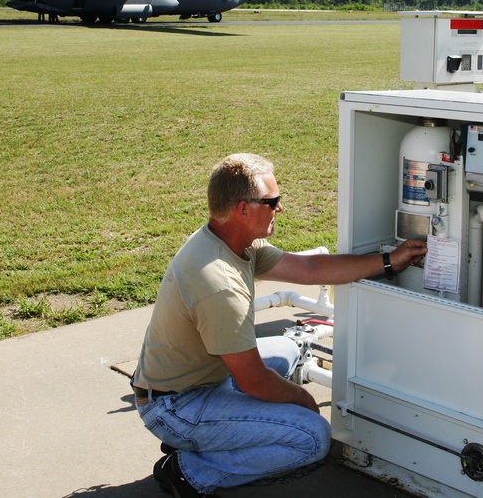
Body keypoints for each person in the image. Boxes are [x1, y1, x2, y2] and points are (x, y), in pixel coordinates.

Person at [131, 153, 427, 497]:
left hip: (201, 380)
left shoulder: (232, 242)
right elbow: (253, 380)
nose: (280, 209)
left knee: (287, 349)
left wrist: (391, 261)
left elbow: (310, 269)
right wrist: (303, 399)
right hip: (175, 407)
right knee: (312, 437)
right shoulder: (219, 284)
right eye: (272, 202)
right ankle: (190, 471)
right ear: (244, 209)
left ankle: (211, 441)